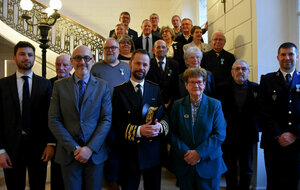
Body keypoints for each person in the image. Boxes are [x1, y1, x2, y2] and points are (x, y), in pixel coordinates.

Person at [48, 45, 112, 190]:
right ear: (72, 61)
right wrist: (74, 148)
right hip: (68, 152)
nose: (82, 62)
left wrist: (89, 148)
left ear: (93, 61)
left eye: (87, 58)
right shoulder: (59, 86)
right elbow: (53, 120)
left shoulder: (103, 86)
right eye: (78, 58)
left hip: (95, 154)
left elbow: (106, 120)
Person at [112, 49, 169, 190]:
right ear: (130, 64)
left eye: (145, 64)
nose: (141, 68)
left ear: (149, 67)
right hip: (129, 152)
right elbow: (115, 123)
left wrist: (159, 128)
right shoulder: (119, 91)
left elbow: (165, 116)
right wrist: (138, 130)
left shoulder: (155, 89)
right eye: (138, 63)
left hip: (152, 152)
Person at [0, 41, 54, 189]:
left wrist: (50, 144)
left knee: (38, 185)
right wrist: (1, 150)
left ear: (34, 58)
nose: (26, 58)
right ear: (14, 57)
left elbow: (51, 116)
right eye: (22, 54)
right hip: (11, 148)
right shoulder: (2, 85)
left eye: (30, 55)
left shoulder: (45, 84)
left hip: (39, 147)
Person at [169, 67, 227, 190]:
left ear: (204, 84)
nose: (196, 85)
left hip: (209, 164)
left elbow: (219, 134)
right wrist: (188, 154)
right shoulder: (177, 105)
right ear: (186, 85)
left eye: (199, 82)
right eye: (192, 82)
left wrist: (199, 153)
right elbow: (172, 133)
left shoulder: (215, 105)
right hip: (185, 163)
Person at [258, 42, 300, 190]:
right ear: (277, 57)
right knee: (273, 182)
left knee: (294, 182)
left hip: (297, 143)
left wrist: (294, 134)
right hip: (273, 142)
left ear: (297, 56)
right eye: (283, 54)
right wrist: (279, 135)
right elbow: (263, 111)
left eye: (291, 54)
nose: (287, 58)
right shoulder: (267, 80)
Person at [91, 38, 130, 190]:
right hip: (103, 116)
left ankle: (123, 179)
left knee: (123, 149)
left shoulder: (126, 68)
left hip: (124, 117)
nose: (110, 50)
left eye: (113, 47)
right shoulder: (95, 68)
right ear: (103, 50)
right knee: (110, 150)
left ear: (118, 50)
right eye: (107, 48)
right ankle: (111, 181)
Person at [214, 60, 259, 190]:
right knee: (230, 167)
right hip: (228, 135)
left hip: (249, 136)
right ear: (232, 72)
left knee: (247, 168)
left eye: (244, 69)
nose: (241, 71)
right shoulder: (221, 88)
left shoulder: (257, 88)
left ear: (248, 72)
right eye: (237, 69)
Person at [49, 54, 73, 190]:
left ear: (71, 66)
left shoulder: (78, 83)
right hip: (56, 139)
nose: (61, 68)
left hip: (74, 139)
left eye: (64, 65)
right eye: (58, 64)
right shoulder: (48, 84)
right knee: (57, 180)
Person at [145, 40, 179, 111]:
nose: (161, 49)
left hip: (171, 103)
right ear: (153, 50)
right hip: (153, 103)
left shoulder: (174, 64)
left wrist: (170, 101)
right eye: (158, 47)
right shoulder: (148, 64)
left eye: (163, 47)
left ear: (167, 50)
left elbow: (176, 85)